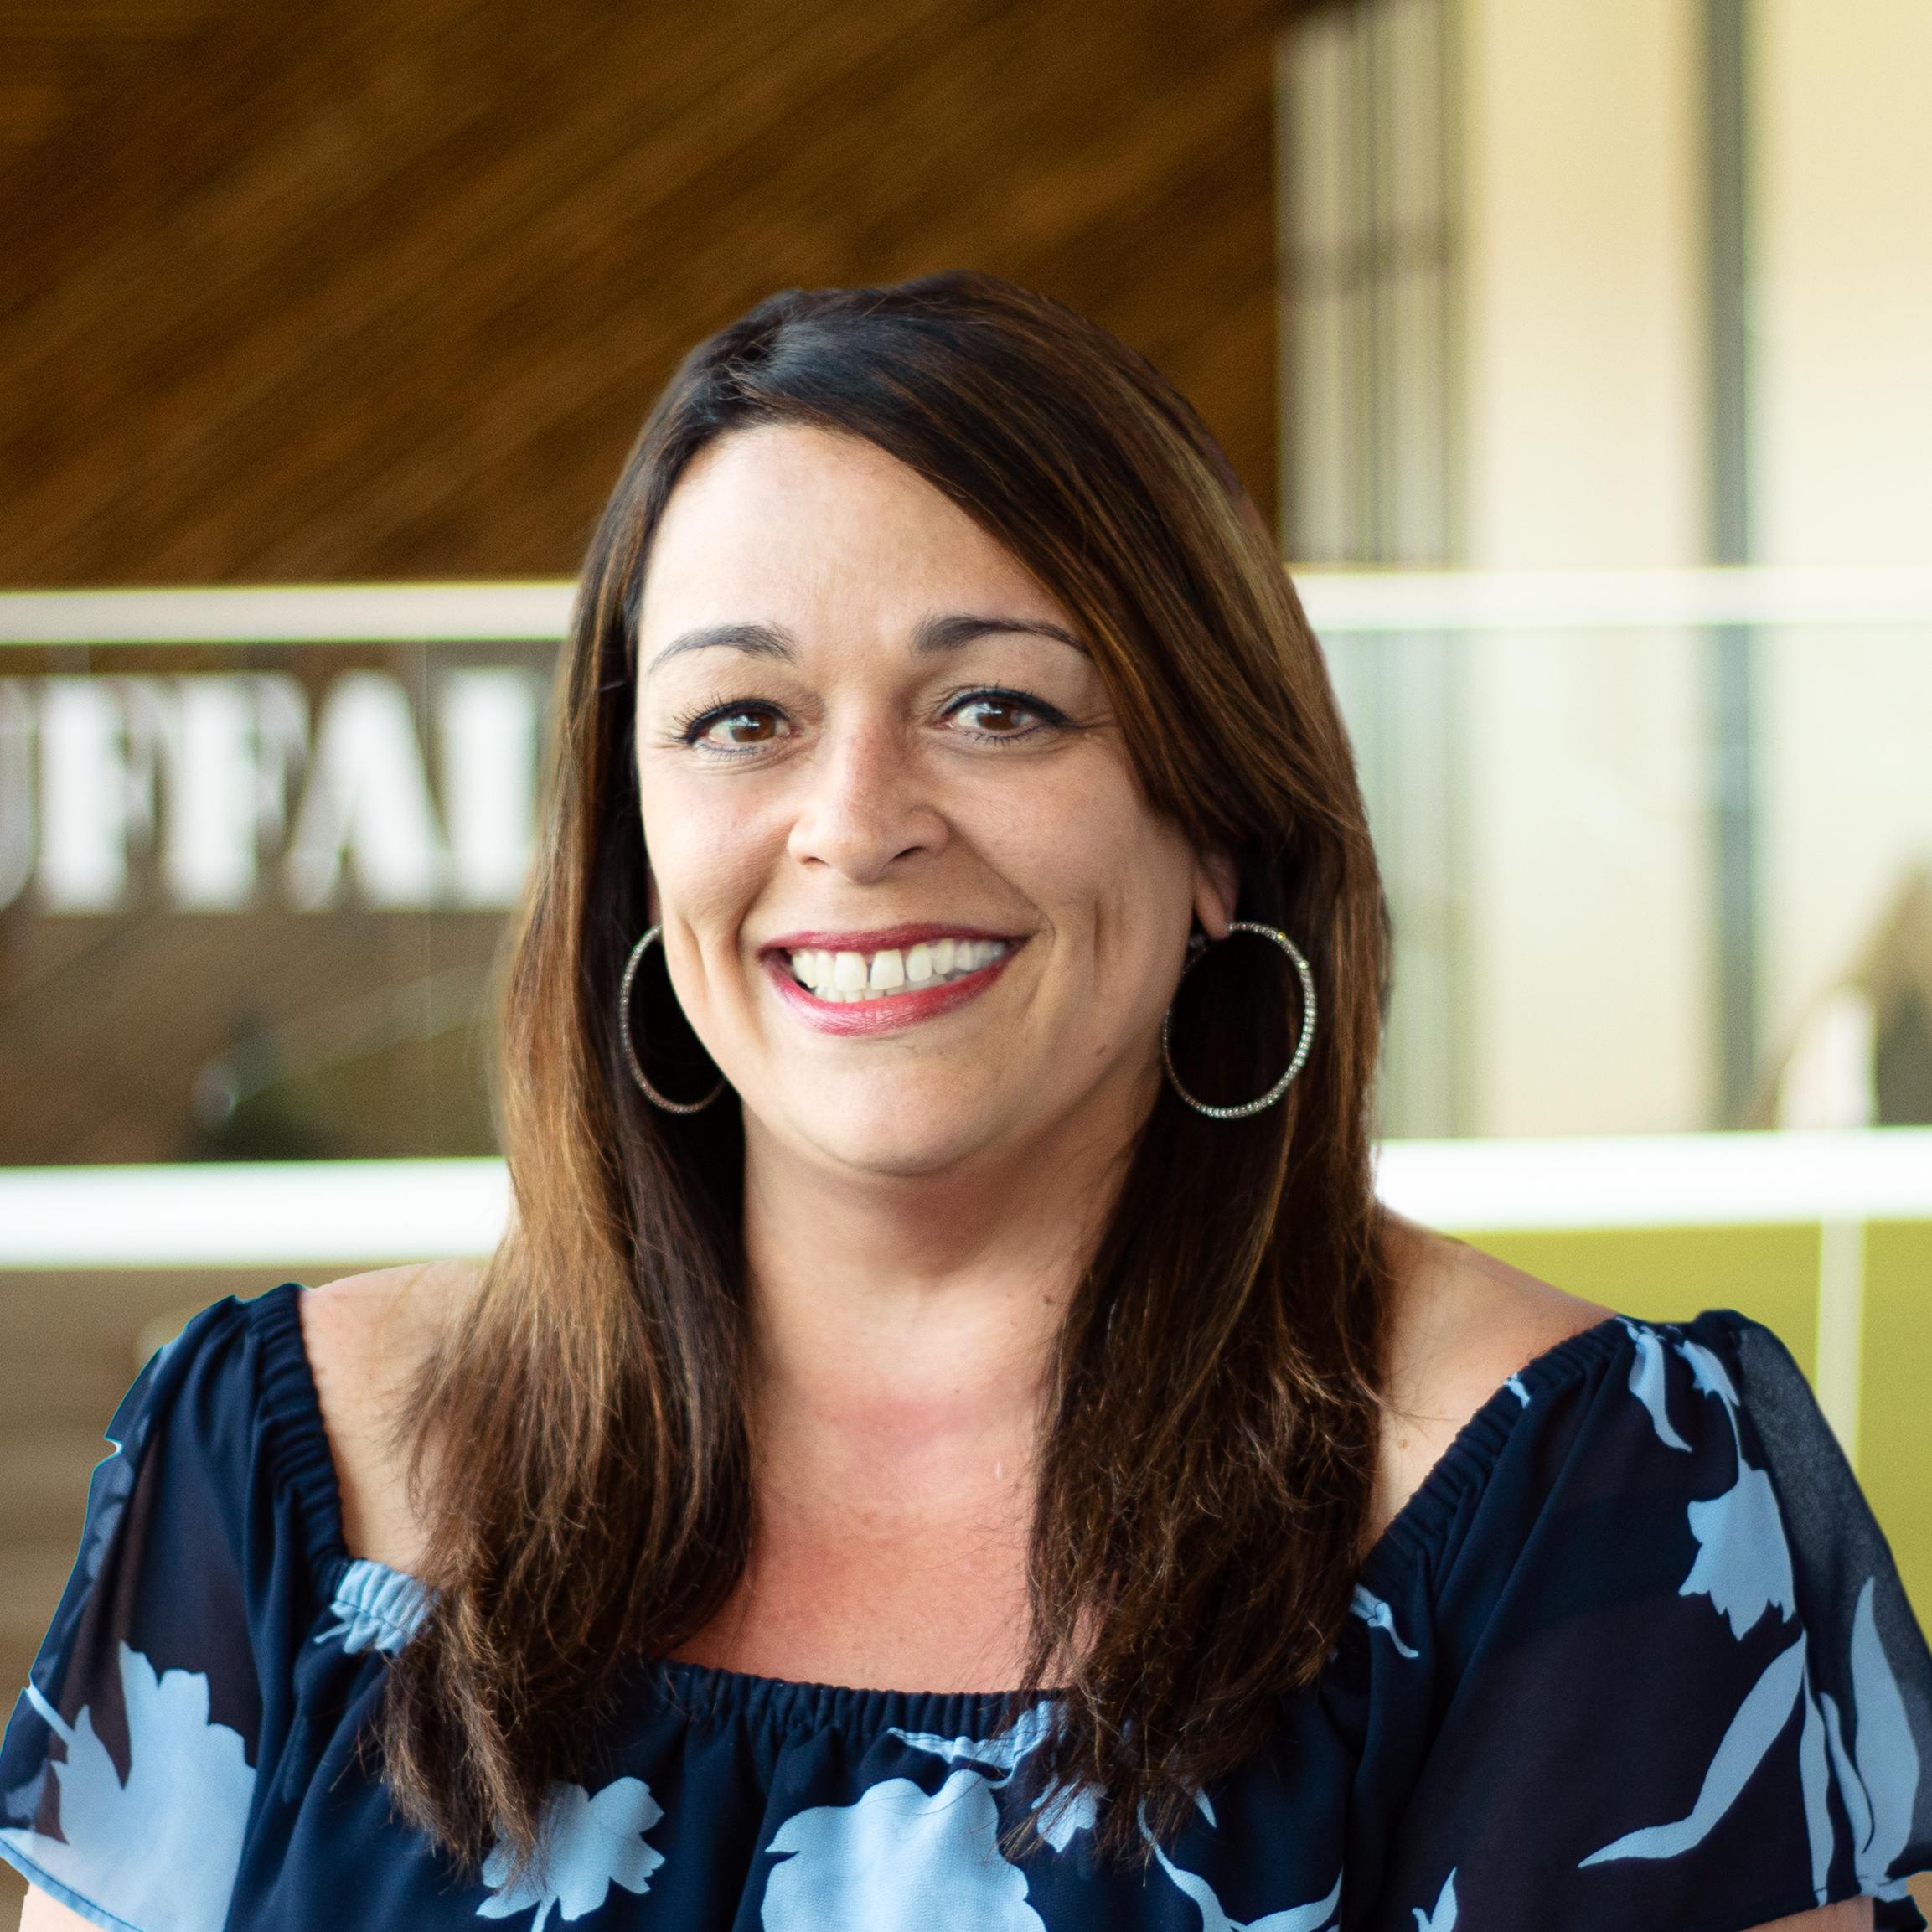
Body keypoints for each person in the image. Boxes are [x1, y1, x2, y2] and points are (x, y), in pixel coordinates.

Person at [4, 274, 1928, 1932]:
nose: (853, 822)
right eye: (740, 719)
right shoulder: (271, 1468)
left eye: (1000, 706)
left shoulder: (1590, 1499)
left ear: (1217, 830)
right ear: (631, 843)